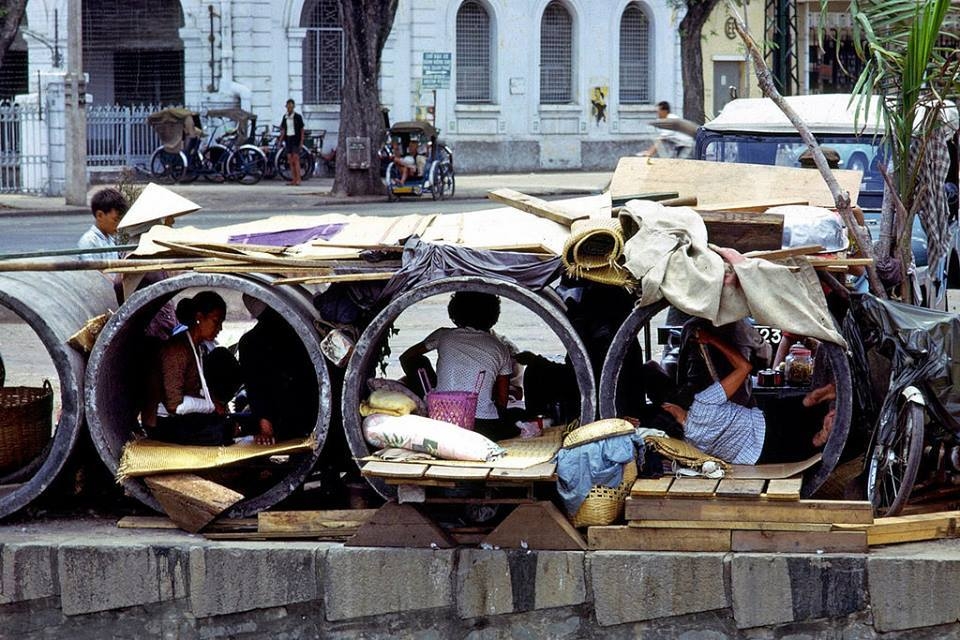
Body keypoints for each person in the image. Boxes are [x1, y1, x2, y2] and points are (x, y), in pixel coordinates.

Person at [659, 328, 835, 465]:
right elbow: (744, 367)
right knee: (794, 409)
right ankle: (813, 401)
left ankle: (818, 437)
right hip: (767, 423)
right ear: (670, 408)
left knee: (803, 447)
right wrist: (711, 339)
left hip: (761, 455)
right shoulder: (702, 404)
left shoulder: (689, 446)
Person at [400, 292, 516, 441]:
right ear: (494, 316)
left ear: (455, 312)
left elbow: (406, 357)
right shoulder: (501, 348)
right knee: (516, 414)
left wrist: (431, 386)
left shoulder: (442, 335)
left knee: (417, 361)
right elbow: (502, 400)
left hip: (442, 420)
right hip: (484, 427)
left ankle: (429, 399)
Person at [148, 291, 243, 446]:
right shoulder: (177, 350)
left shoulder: (196, 346)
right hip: (163, 422)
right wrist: (211, 406)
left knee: (229, 423)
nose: (220, 328)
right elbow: (174, 406)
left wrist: (214, 404)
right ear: (199, 318)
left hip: (181, 417)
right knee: (222, 431)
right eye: (216, 321)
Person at [237, 294, 318, 445]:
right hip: (310, 416)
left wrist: (265, 428)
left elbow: (256, 387)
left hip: (286, 421)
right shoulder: (302, 329)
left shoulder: (250, 342)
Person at [78, 187, 128, 261]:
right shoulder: (89, 242)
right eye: (115, 220)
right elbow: (93, 271)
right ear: (100, 215)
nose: (118, 224)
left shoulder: (110, 240)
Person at [278, 98, 305, 186]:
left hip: (295, 139)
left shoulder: (297, 117)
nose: (289, 108)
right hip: (288, 139)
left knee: (296, 159)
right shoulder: (285, 117)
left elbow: (302, 130)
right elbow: (283, 130)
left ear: (293, 107)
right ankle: (293, 179)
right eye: (288, 106)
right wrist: (280, 140)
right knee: (290, 160)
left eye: (291, 106)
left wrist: (301, 141)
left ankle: (299, 179)